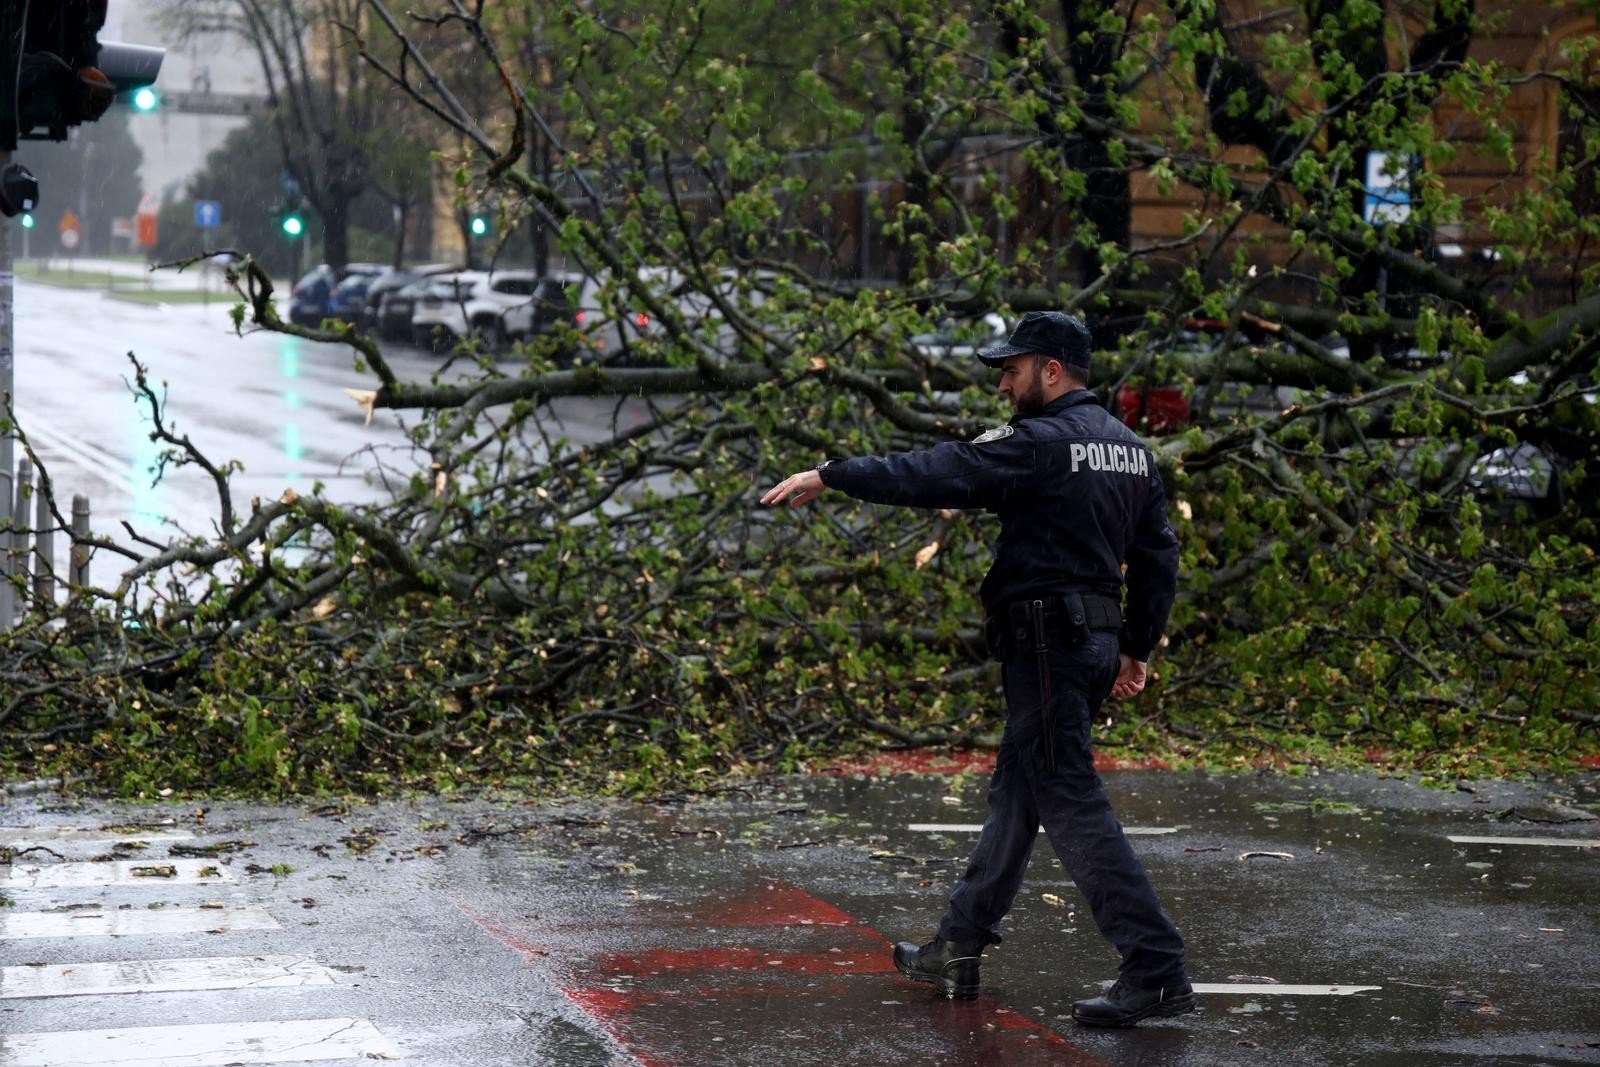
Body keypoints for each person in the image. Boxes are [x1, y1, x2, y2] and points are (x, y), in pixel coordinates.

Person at [760, 310, 1191, 1028]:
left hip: (1047, 642)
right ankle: (958, 942)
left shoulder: (1039, 445)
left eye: (1013, 368)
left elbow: (936, 471)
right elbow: (1159, 556)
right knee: (1018, 795)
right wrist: (1137, 646)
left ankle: (1155, 966)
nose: (1003, 382)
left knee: (1069, 800)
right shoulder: (1131, 452)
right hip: (1090, 642)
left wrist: (831, 474)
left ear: (1052, 371)